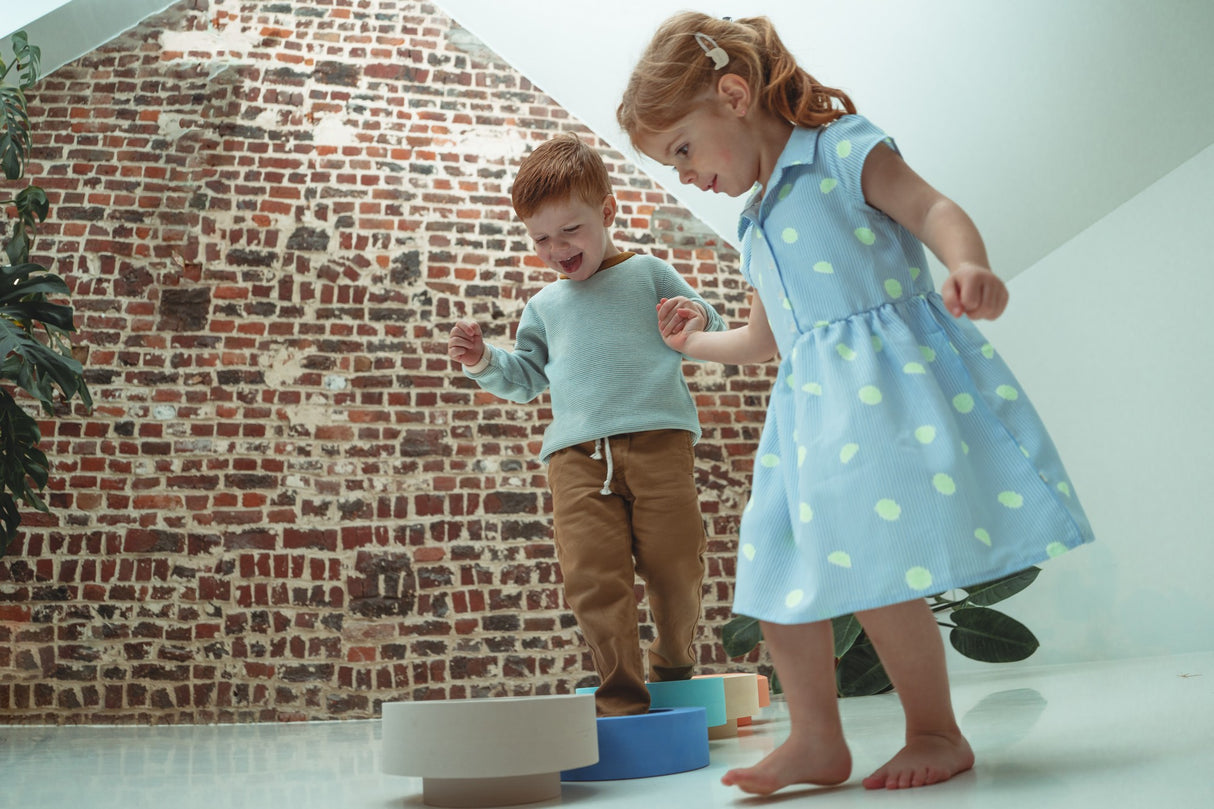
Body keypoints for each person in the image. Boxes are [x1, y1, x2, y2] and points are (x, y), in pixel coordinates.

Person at [617, 11, 1095, 794]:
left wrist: (968, 264)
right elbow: (767, 339)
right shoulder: (754, 219)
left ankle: (936, 729)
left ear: (734, 95)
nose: (684, 174)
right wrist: (693, 344)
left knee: (876, 573)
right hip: (807, 419)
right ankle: (816, 740)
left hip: (881, 400)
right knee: (774, 575)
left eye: (682, 150)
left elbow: (934, 209)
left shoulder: (841, 151)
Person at [446, 132, 727, 717]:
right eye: (540, 238)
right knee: (592, 576)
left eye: (570, 231)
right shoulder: (545, 307)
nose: (556, 248)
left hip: (658, 441)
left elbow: (708, 325)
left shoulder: (648, 272)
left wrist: (696, 314)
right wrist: (481, 361)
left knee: (677, 562)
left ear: (607, 212)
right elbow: (525, 377)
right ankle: (620, 693)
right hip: (575, 458)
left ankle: (673, 660)